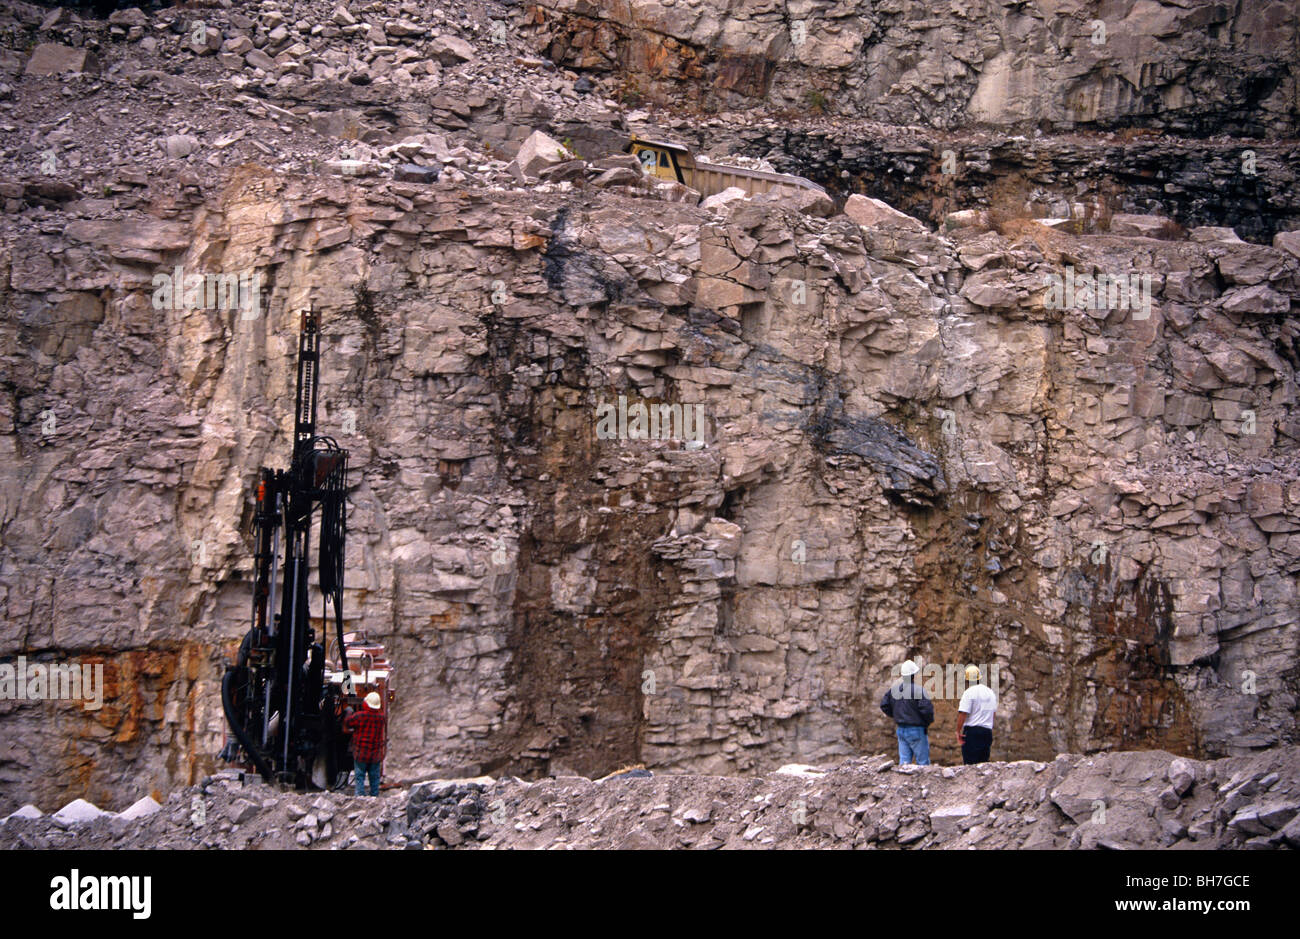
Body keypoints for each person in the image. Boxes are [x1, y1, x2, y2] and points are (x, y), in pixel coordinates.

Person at [879, 659, 934, 765]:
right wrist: (926, 723)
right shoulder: (918, 690)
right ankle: (923, 782)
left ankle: (903, 782)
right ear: (913, 675)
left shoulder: (894, 690)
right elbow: (927, 710)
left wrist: (895, 715)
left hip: (901, 729)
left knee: (904, 762)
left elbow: (884, 705)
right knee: (923, 763)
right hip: (916, 729)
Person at [344, 691, 386, 796]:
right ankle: (374, 797)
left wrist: (349, 711)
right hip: (375, 754)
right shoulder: (381, 718)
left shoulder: (359, 716)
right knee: (374, 778)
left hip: (360, 752)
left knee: (359, 777)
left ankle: (360, 797)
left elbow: (347, 722)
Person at [956, 665, 997, 764]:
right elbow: (993, 713)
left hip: (973, 733)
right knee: (983, 766)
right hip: (987, 732)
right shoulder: (990, 692)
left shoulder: (969, 693)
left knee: (970, 765)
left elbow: (963, 713)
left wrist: (958, 731)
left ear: (967, 680)